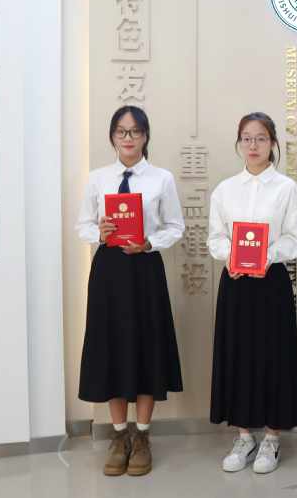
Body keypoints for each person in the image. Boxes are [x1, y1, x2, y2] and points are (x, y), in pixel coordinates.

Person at [75, 105, 185, 476]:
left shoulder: (161, 178)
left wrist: (150, 242)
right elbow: (82, 225)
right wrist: (99, 233)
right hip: (109, 270)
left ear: (145, 136)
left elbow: (175, 226)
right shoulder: (98, 178)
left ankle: (142, 438)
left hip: (144, 269)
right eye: (121, 131)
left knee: (145, 346)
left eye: (135, 131)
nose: (128, 138)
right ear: (112, 136)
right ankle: (119, 436)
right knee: (112, 347)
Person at [208, 112, 297, 474]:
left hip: (270, 283)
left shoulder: (286, 188)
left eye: (261, 138)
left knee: (272, 356)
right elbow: (216, 237)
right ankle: (244, 437)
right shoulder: (225, 189)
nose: (253, 145)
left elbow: (295, 239)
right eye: (246, 138)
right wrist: (229, 255)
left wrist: (268, 256)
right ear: (239, 143)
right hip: (235, 282)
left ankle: (272, 440)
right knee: (238, 355)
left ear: (272, 144)